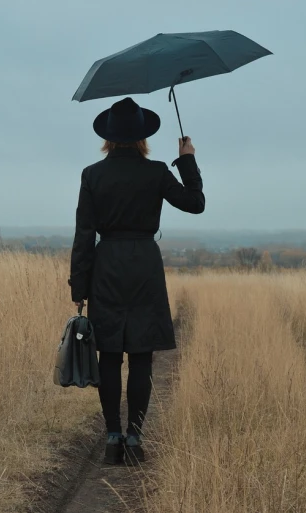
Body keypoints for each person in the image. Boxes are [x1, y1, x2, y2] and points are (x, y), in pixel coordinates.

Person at [69, 96, 205, 465]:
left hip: (107, 267)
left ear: (108, 137)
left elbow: (84, 236)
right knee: (142, 356)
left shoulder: (92, 175)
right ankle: (135, 438)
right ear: (143, 135)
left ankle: (112, 439)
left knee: (110, 355)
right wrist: (187, 158)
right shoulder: (158, 171)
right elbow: (195, 203)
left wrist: (78, 289)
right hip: (145, 265)